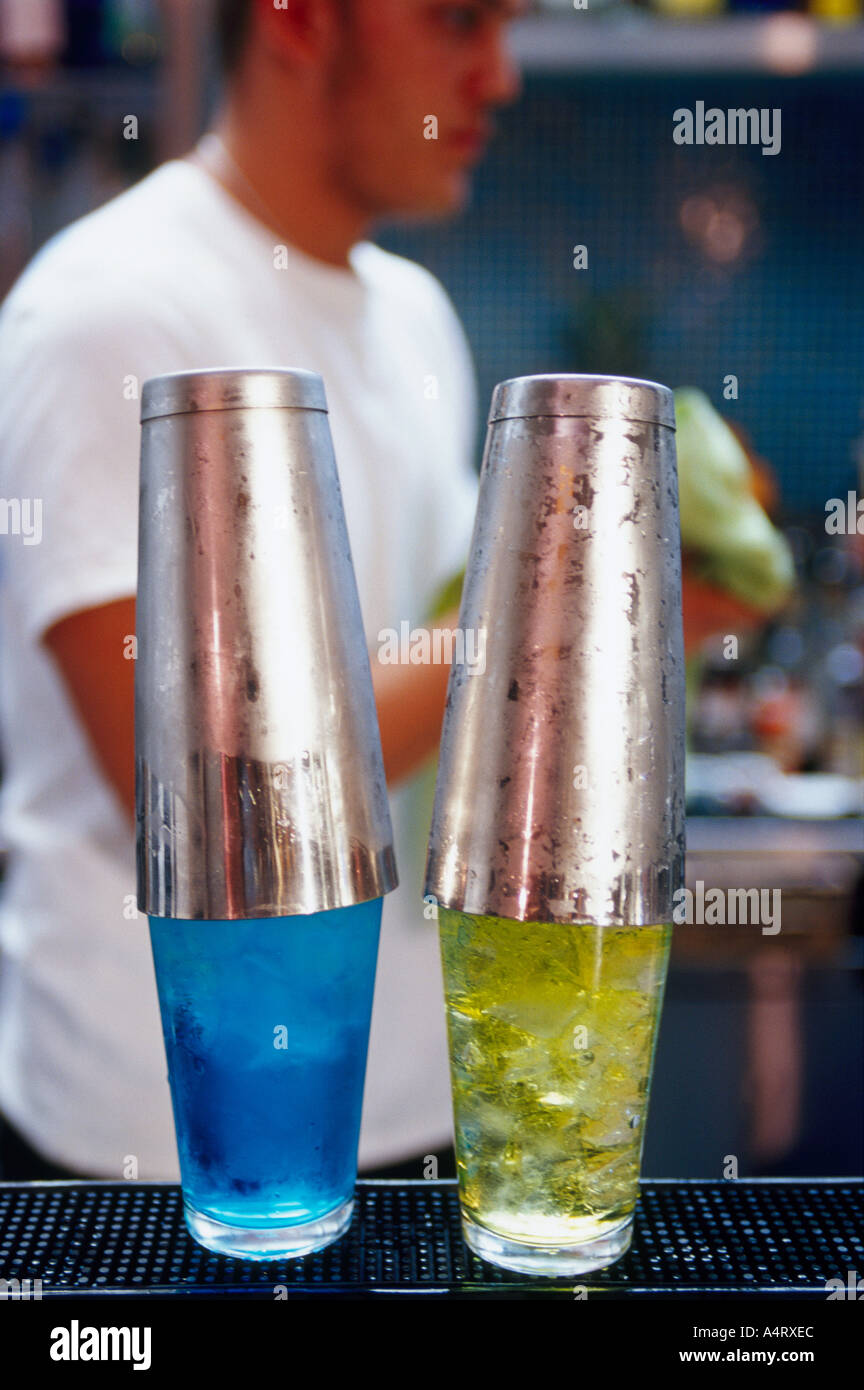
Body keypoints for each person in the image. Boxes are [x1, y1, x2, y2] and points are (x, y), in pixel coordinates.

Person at [0, 0, 770, 1182]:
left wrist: (623, 617)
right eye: (459, 21)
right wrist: (547, 612)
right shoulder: (108, 309)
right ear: (301, 19)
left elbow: (450, 677)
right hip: (160, 1144)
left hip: (415, 1110)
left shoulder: (416, 315)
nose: (499, 76)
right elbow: (205, 771)